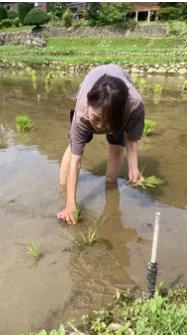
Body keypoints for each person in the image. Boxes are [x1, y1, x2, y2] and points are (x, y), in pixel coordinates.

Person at [58, 64, 145, 225]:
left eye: (108, 122)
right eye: (96, 119)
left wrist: (134, 168)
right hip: (92, 99)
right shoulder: (83, 111)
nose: (100, 127)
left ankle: (111, 188)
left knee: (117, 147)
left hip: (120, 106)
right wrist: (70, 203)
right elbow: (76, 162)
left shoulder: (134, 106)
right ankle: (62, 188)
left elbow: (132, 139)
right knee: (73, 148)